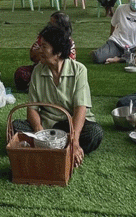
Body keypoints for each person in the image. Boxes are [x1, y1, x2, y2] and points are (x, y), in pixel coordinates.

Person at [12, 24, 104, 167]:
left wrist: (74, 140)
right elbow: (32, 109)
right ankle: (58, 149)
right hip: (47, 127)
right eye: (40, 46)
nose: (39, 51)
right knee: (15, 127)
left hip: (71, 124)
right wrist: (40, 132)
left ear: (58, 52)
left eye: (44, 47)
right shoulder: (37, 71)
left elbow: (80, 108)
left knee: (95, 132)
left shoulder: (79, 70)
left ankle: (59, 147)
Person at [14, 12, 77, 91]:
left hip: (59, 73)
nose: (49, 26)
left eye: (52, 24)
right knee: (21, 74)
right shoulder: (44, 37)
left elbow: (66, 64)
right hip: (43, 69)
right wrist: (46, 54)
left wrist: (49, 57)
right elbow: (32, 56)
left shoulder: (67, 41)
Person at [92, 0, 136, 64]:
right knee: (97, 57)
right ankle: (121, 55)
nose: (135, 1)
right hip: (117, 43)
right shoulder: (121, 9)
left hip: (134, 46)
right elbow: (113, 24)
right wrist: (110, 39)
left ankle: (119, 59)